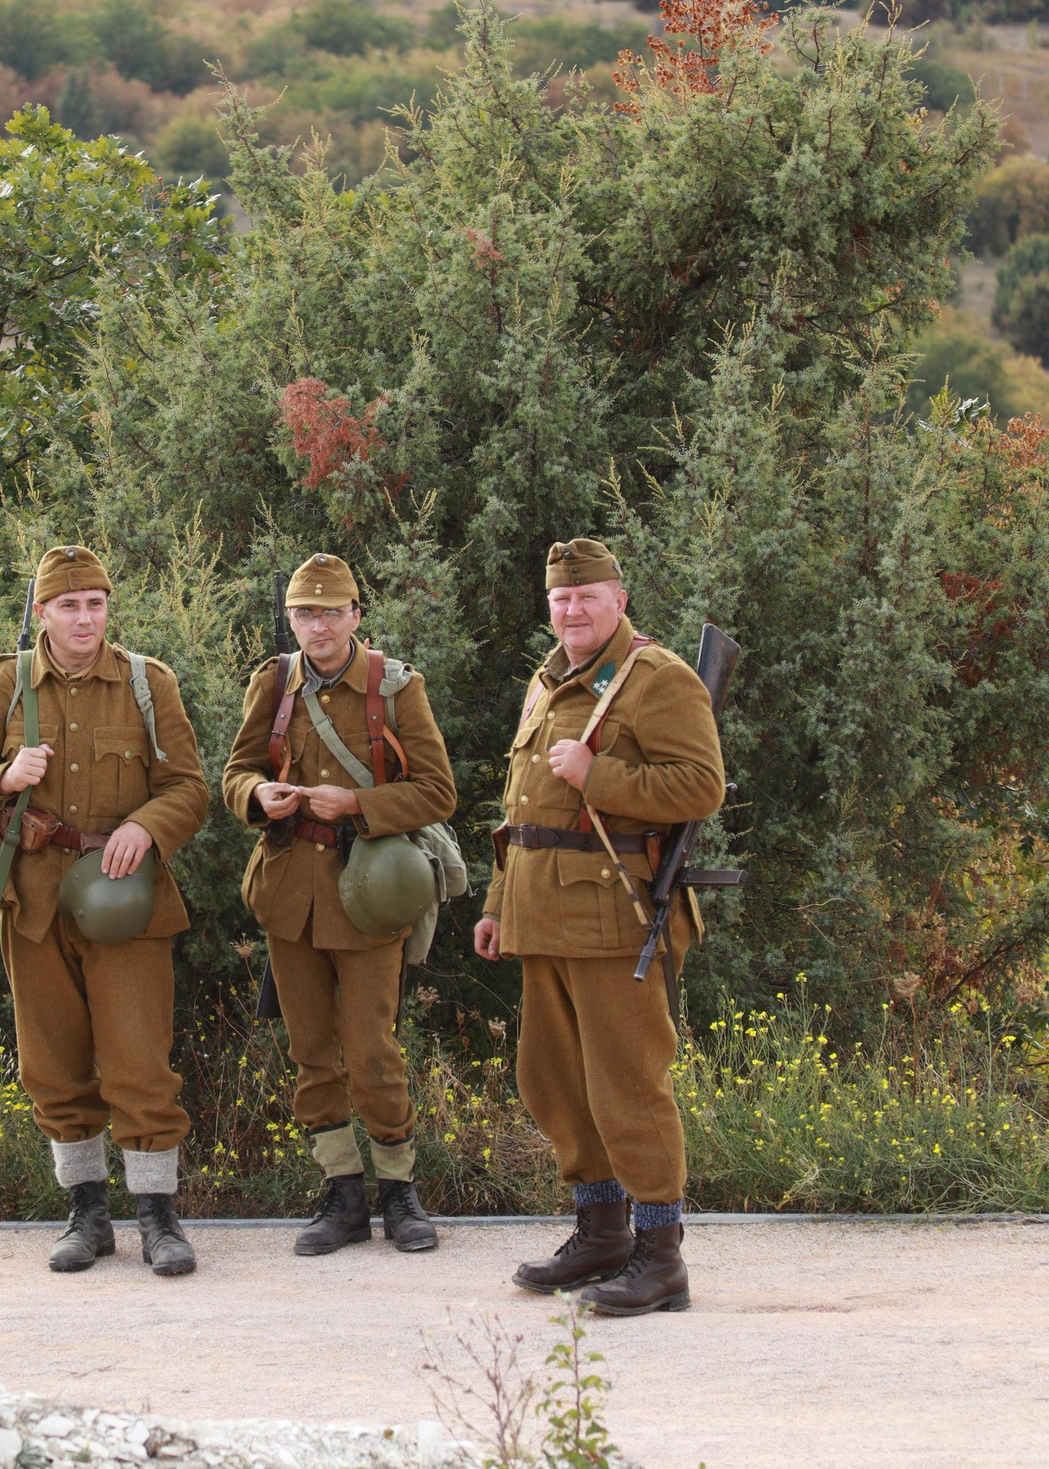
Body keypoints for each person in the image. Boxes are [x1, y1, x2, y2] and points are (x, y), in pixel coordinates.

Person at [0, 545, 209, 1277]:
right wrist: (3, 778)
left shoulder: (148, 683)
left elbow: (188, 787)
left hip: (126, 902)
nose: (84, 618)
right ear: (42, 612)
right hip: (33, 901)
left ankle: (158, 1216)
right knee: (53, 1065)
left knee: (140, 1061)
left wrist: (146, 827)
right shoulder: (6, 684)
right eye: (68, 605)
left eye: (95, 603)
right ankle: (87, 1214)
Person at [475, 539, 724, 1316]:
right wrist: (496, 903)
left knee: (628, 1085)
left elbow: (702, 785)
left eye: (588, 596)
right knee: (551, 1079)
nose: (573, 609)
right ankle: (603, 1230)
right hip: (540, 913)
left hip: (614, 915)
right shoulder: (547, 679)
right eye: (561, 598)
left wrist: (598, 775)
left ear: (619, 599)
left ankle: (661, 1255)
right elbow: (520, 810)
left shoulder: (657, 676)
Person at [220, 553, 456, 1256]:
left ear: (355, 614)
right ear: (290, 619)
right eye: (304, 613)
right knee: (311, 1053)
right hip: (290, 892)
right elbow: (236, 772)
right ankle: (342, 1193)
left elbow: (438, 791)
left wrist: (357, 803)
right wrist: (257, 796)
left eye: (330, 612)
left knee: (373, 1050)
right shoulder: (274, 683)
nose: (317, 626)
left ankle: (399, 1191)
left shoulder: (396, 686)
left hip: (369, 893)